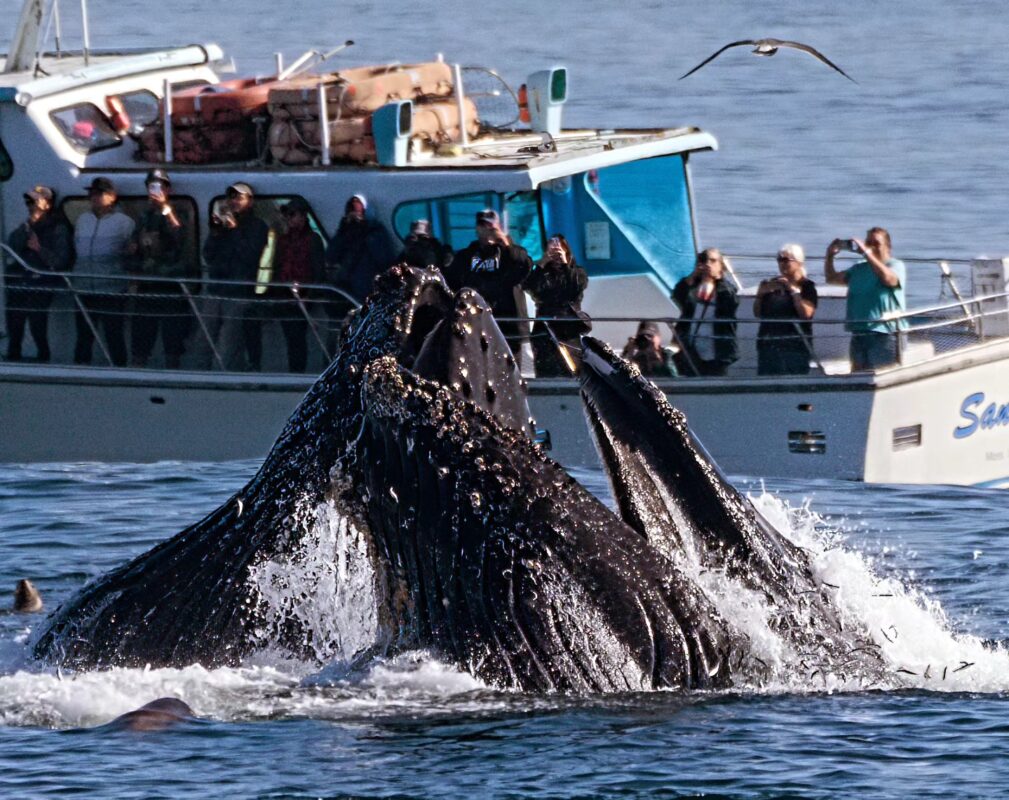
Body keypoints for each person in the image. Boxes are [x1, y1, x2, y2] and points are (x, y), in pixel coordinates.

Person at [444, 209, 534, 367]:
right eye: (482, 226)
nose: (487, 230)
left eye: (491, 227)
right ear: (477, 229)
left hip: (509, 328)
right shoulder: (466, 256)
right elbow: (452, 281)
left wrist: (505, 243)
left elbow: (525, 266)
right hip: (477, 325)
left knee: (512, 371)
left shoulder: (512, 253)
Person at [202, 181, 269, 370]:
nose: (234, 201)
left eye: (239, 197)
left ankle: (225, 378)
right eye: (231, 197)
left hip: (239, 293)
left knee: (228, 344)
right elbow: (207, 254)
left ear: (250, 201)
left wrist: (235, 230)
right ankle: (199, 376)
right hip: (216, 289)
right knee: (204, 341)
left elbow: (250, 256)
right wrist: (215, 233)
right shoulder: (222, 225)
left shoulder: (258, 226)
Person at [4, 185, 74, 362]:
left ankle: (43, 357)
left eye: (34, 201)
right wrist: (27, 226)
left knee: (37, 321)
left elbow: (60, 260)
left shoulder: (59, 228)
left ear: (47, 204)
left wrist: (39, 249)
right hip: (22, 280)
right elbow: (11, 247)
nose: (30, 205)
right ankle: (14, 356)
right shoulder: (26, 226)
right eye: (28, 202)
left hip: (42, 281)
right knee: (15, 320)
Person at [129, 169, 190, 369]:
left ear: (168, 189)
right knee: (141, 339)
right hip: (147, 285)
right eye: (152, 186)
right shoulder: (143, 216)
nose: (155, 190)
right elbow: (135, 245)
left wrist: (165, 208)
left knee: (172, 341)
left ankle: (174, 377)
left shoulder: (178, 211)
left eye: (160, 186)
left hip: (170, 285)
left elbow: (179, 236)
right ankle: (138, 375)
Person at [72, 177, 135, 366]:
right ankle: (79, 375)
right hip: (84, 288)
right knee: (84, 336)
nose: (94, 197)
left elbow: (132, 253)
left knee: (114, 335)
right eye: (92, 193)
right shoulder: (83, 219)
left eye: (100, 193)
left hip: (112, 290)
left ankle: (120, 373)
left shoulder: (124, 222)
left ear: (112, 197)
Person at [824, 226, 906, 371]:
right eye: (868, 242)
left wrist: (868, 253)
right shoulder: (858, 268)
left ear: (888, 247)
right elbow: (831, 279)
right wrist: (830, 256)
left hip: (884, 333)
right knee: (858, 375)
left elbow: (888, 279)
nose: (872, 246)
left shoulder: (895, 265)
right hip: (859, 332)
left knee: (881, 374)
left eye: (876, 243)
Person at [524, 234, 590, 376]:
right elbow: (529, 286)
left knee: (571, 366)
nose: (555, 255)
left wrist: (565, 264)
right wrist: (542, 263)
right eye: (551, 250)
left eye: (559, 250)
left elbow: (576, 287)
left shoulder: (577, 272)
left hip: (568, 326)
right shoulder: (542, 273)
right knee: (546, 367)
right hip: (545, 325)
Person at [273, 198, 326, 372]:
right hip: (284, 295)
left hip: (303, 295)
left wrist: (309, 296)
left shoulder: (313, 239)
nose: (289, 218)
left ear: (303, 216)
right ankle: (292, 371)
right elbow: (277, 265)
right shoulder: (283, 240)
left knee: (298, 337)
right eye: (287, 215)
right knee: (290, 336)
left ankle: (297, 373)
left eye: (292, 214)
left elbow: (318, 270)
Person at [671, 248, 738, 376]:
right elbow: (677, 295)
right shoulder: (693, 286)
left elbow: (731, 302)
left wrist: (717, 279)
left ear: (720, 266)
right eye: (704, 260)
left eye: (713, 261)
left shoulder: (725, 289)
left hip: (717, 349)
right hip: (692, 348)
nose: (708, 264)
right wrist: (694, 275)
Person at [753, 243, 818, 376]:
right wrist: (760, 295)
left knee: (794, 381)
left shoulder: (807, 286)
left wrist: (793, 292)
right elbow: (758, 313)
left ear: (799, 262)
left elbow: (806, 314)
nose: (782, 264)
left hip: (795, 346)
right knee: (767, 381)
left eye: (786, 260)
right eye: (779, 260)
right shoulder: (772, 284)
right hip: (769, 344)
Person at [325, 194, 394, 303]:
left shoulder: (375, 232)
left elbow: (385, 260)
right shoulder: (345, 232)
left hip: (368, 288)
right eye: (351, 210)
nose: (355, 214)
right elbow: (330, 256)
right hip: (347, 289)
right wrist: (343, 231)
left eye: (358, 210)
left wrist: (364, 231)